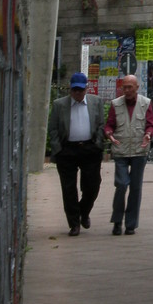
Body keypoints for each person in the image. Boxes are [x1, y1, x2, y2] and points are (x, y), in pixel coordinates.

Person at [48, 72, 106, 236]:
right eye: (75, 90)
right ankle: (74, 223)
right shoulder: (60, 105)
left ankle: (84, 211)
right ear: (70, 90)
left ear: (86, 89)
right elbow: (53, 128)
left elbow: (101, 124)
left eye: (81, 90)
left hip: (89, 149)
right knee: (68, 189)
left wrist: (98, 143)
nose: (78, 94)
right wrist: (58, 148)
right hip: (67, 150)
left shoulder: (96, 102)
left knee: (93, 185)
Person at [104, 74, 153, 236]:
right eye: (124, 87)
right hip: (121, 150)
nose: (126, 90)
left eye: (129, 87)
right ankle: (117, 220)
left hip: (139, 151)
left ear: (137, 87)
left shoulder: (145, 103)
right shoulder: (116, 104)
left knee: (135, 188)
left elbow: (151, 124)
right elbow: (109, 125)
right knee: (121, 184)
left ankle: (131, 224)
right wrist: (109, 134)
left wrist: (148, 134)